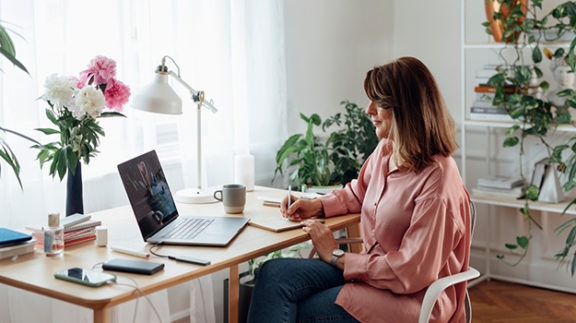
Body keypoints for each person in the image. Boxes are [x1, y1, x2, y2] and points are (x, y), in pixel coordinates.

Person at [247, 56, 471, 323]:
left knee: (304, 311)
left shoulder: (438, 180)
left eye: (378, 102)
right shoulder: (388, 151)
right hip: (374, 276)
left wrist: (337, 256)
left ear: (405, 109)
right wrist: (317, 206)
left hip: (414, 299)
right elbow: (358, 192)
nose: (368, 110)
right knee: (273, 275)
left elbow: (410, 272)